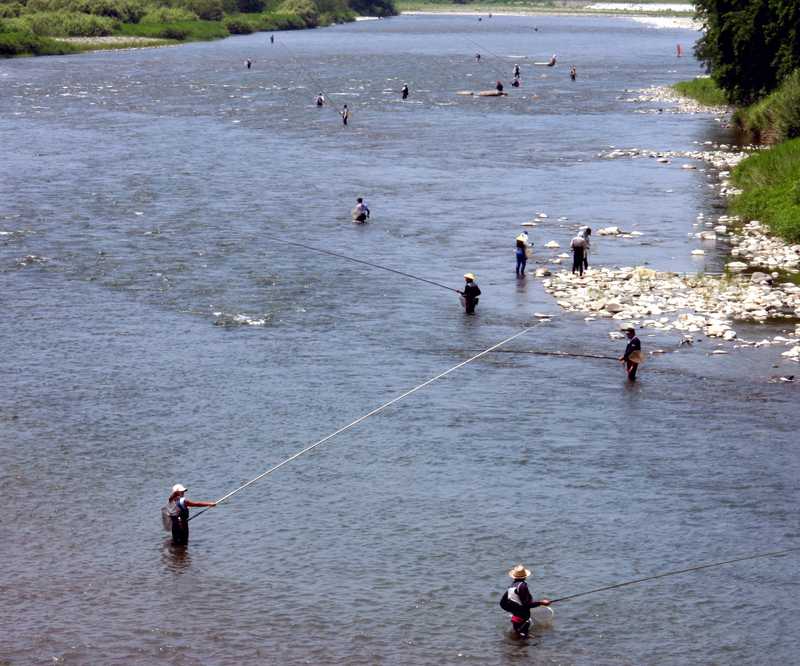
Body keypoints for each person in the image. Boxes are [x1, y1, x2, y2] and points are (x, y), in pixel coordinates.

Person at [501, 565, 550, 638]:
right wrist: (542, 603)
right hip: (523, 619)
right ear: (525, 576)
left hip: (515, 619)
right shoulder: (523, 586)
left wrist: (513, 610)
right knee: (526, 639)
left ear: (514, 577)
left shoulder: (511, 587)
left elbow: (502, 603)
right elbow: (527, 604)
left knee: (519, 638)